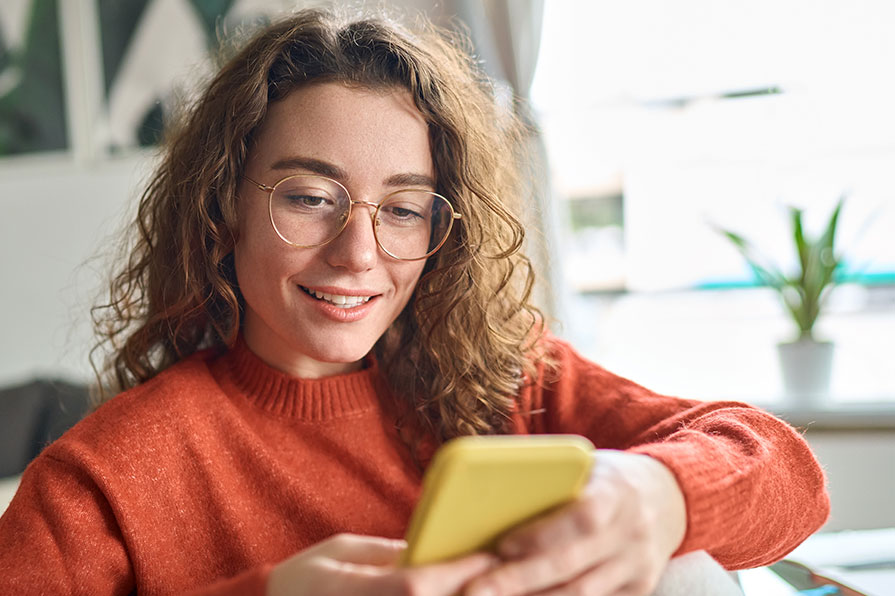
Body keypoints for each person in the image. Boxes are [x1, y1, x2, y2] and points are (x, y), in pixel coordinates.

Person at [0, 7, 829, 596]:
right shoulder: (98, 480)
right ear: (222, 211)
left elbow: (786, 474)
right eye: (308, 198)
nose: (358, 254)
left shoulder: (510, 381)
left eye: (402, 210)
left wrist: (657, 497)